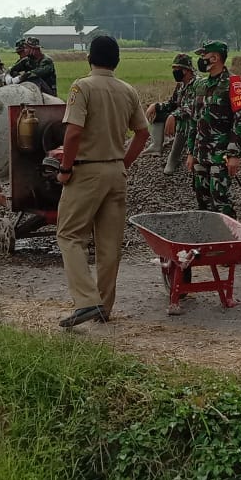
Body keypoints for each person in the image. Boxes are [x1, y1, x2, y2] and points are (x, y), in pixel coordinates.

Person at [55, 35, 150, 327]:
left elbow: (72, 134)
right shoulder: (128, 90)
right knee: (109, 245)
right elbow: (143, 133)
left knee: (69, 236)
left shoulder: (81, 87)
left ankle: (86, 301)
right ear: (117, 61)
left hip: (86, 172)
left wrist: (65, 169)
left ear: (89, 58)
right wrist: (123, 163)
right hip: (115, 173)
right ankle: (104, 308)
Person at [185, 40, 241, 218]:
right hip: (200, 153)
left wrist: (234, 154)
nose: (202, 59)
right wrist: (191, 152)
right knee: (202, 199)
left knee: (220, 200)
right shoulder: (200, 85)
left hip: (221, 154)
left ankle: (230, 240)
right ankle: (208, 241)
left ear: (215, 57)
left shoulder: (234, 84)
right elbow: (194, 121)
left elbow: (240, 121)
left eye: (204, 55)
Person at [142, 53, 202, 173]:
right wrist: (157, 106)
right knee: (158, 113)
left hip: (196, 121)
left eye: (176, 69)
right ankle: (156, 146)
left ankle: (173, 157)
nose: (174, 72)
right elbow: (172, 103)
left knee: (183, 122)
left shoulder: (198, 84)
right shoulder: (180, 84)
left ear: (185, 70)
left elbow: (193, 107)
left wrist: (174, 115)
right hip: (180, 115)